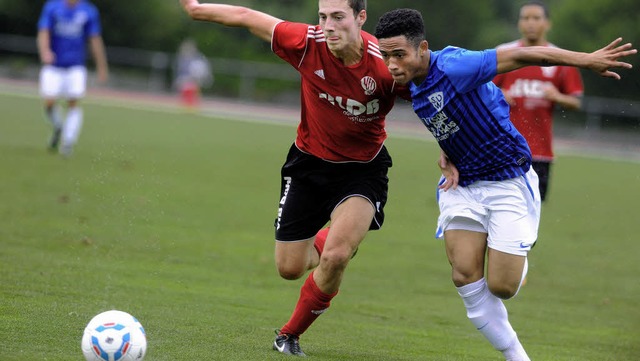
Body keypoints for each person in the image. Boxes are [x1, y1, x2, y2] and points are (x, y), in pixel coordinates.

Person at [374, 8, 635, 361]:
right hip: (462, 184)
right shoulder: (408, 81)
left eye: (399, 55)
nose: (391, 64)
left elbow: (524, 54)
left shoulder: (456, 65)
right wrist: (447, 151)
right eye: (385, 55)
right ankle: (518, 357)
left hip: (507, 179)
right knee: (464, 274)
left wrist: (584, 60)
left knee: (503, 286)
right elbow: (447, 117)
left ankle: (518, 255)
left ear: (422, 48)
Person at [179, 0, 411, 356]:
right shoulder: (306, 43)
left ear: (360, 18)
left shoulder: (387, 65)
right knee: (290, 268)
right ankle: (336, 236)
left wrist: (450, 152)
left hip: (363, 170)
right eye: (322, 17)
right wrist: (196, 8)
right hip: (308, 166)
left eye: (337, 17)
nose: (328, 26)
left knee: (336, 257)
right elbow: (245, 16)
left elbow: (438, 97)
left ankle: (288, 335)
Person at [493, 1, 584, 202]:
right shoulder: (504, 53)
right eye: (525, 18)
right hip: (503, 148)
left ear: (548, 23)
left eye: (536, 18)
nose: (530, 23)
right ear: (519, 23)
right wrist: (497, 93)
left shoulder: (560, 58)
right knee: (500, 206)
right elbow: (478, 88)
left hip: (540, 152)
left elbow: (576, 102)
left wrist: (558, 97)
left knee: (532, 213)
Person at [37, 0, 108, 157]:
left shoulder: (89, 11)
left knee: (73, 102)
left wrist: (101, 66)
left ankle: (68, 143)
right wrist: (45, 51)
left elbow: (95, 39)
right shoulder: (52, 7)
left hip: (76, 65)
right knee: (49, 102)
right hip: (54, 64)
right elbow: (44, 31)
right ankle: (58, 126)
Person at [174, 38, 213, 109]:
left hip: (196, 81)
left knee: (189, 86)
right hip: (187, 81)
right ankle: (186, 102)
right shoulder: (182, 59)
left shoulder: (199, 59)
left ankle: (193, 103)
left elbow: (203, 73)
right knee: (184, 84)